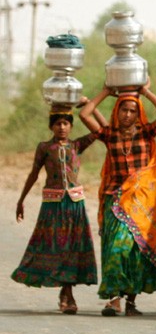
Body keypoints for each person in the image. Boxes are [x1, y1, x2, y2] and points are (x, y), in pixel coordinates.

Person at [78, 79, 156, 317]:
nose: (128, 114)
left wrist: (146, 92)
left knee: (136, 251)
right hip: (115, 199)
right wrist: (105, 92)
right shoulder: (109, 135)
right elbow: (85, 114)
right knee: (115, 249)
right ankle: (113, 299)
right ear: (116, 110)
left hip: (142, 203)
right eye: (124, 109)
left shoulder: (147, 132)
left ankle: (131, 301)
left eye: (132, 110)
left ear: (138, 112)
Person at [11, 98, 106, 314]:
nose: (62, 127)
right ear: (51, 126)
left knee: (72, 248)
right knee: (56, 246)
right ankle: (65, 293)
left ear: (71, 126)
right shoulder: (45, 147)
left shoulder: (77, 145)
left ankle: (67, 293)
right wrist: (21, 200)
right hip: (53, 205)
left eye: (65, 123)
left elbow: (101, 130)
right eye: (57, 124)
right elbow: (34, 174)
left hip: (74, 204)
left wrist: (88, 104)